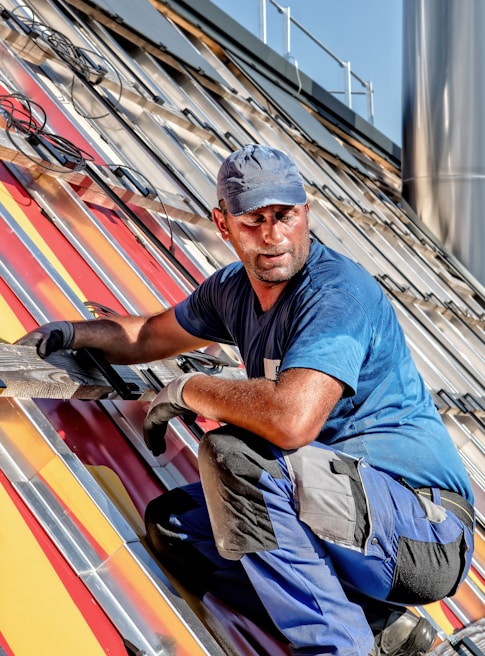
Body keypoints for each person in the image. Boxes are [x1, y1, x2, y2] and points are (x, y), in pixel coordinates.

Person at [19, 144, 475, 656]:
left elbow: (291, 420)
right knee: (178, 529)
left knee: (236, 459)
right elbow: (149, 334)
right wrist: (73, 333)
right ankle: (379, 628)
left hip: (420, 530)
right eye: (253, 220)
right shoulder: (234, 290)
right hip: (340, 512)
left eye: (285, 216)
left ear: (306, 212)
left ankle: (337, 648)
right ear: (223, 223)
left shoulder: (335, 295)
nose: (273, 236)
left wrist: (190, 390)